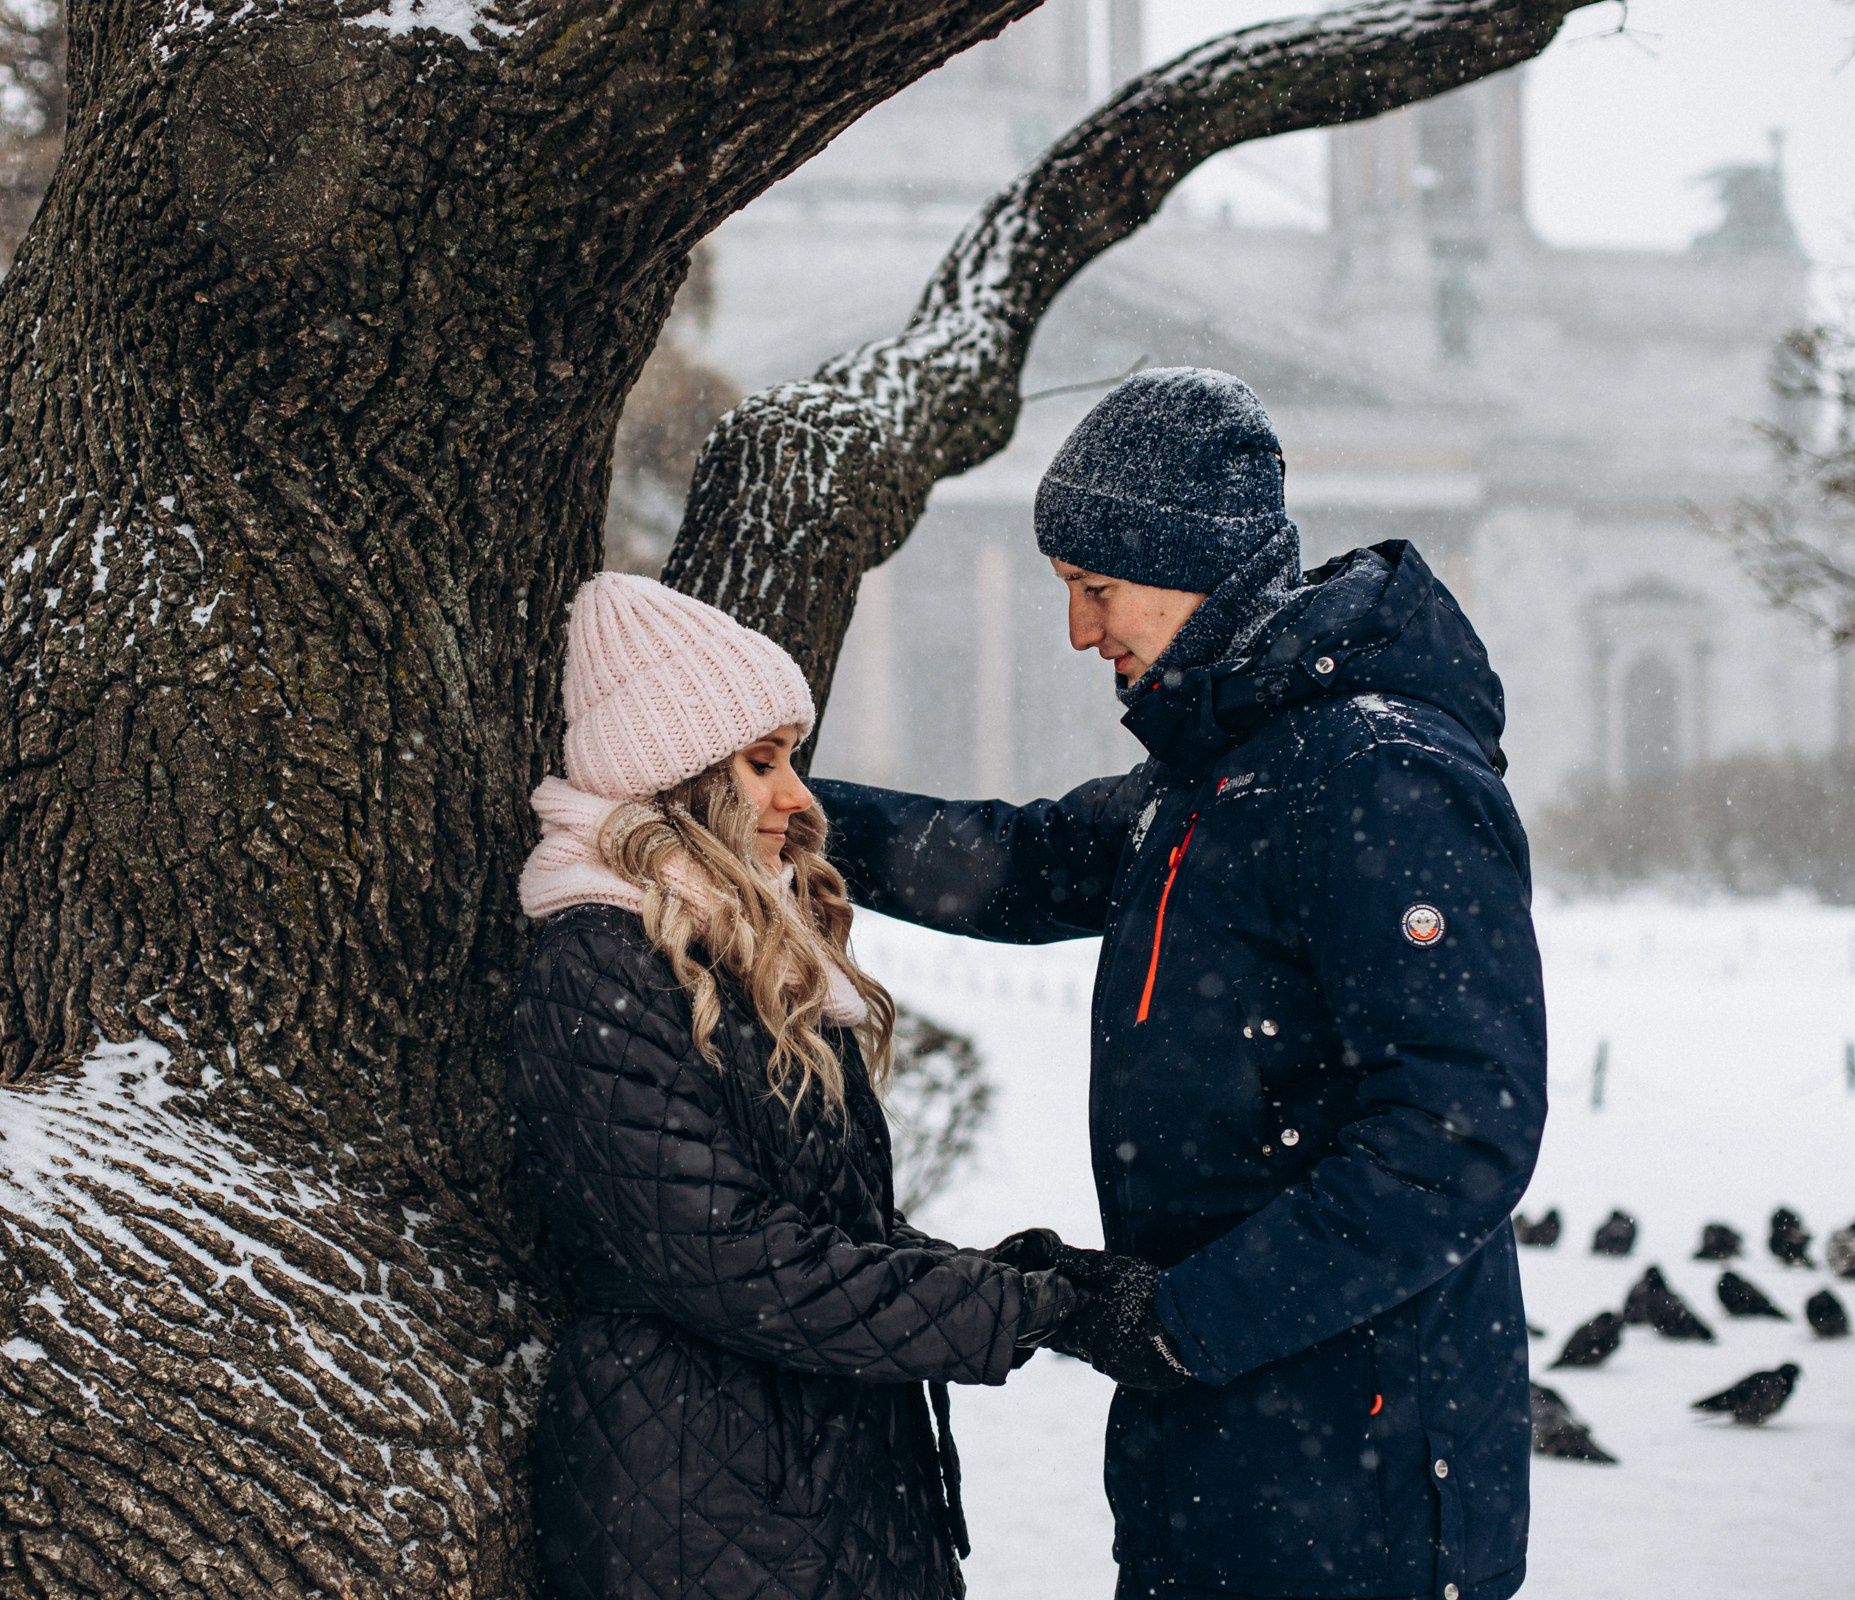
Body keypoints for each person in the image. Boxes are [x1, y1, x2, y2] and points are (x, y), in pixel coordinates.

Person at [810, 368, 1549, 1600]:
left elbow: (1455, 1138)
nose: (1079, 633)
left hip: (1357, 1469)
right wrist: (788, 819)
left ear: (1191, 564)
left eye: (1095, 591)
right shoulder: (1218, 776)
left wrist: (1185, 1318)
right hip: (1223, 1444)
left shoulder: (1376, 777)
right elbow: (1016, 862)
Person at [506, 572, 1076, 1600]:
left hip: (823, 1485)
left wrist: (1035, 1286)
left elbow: (833, 1230)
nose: (801, 799)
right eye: (761, 764)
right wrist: (1005, 1309)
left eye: (793, 762)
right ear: (676, 778)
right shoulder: (599, 960)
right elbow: (732, 1259)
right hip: (704, 1508)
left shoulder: (740, 957)